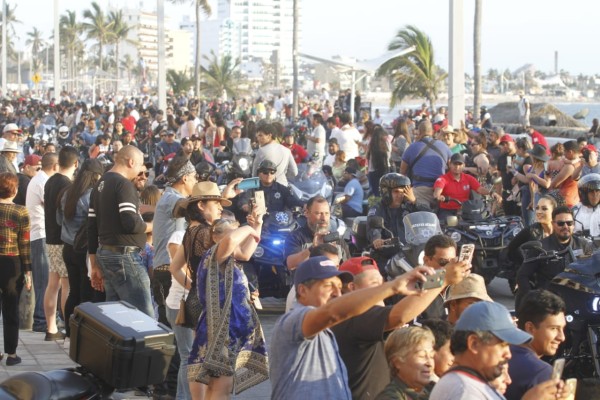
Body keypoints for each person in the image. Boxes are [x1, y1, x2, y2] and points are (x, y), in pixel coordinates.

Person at [269, 256, 435, 400]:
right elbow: (332, 312)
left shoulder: (326, 331)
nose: (337, 293)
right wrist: (394, 286)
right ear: (303, 291)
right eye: (327, 286)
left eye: (338, 286)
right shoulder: (292, 321)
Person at [332, 256, 469, 399]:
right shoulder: (355, 316)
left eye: (382, 283)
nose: (382, 289)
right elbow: (400, 315)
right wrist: (442, 278)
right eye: (374, 284)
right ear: (352, 288)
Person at [187, 212, 268, 399]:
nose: (239, 236)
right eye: (235, 232)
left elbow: (246, 253)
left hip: (228, 330)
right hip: (221, 331)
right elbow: (231, 240)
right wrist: (246, 228)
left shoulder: (229, 258)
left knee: (218, 385)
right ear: (216, 237)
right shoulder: (215, 254)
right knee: (221, 387)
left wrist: (257, 226)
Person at [169, 180, 236, 399]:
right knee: (209, 359)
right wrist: (248, 228)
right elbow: (241, 253)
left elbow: (174, 268)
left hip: (199, 300)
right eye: (216, 202)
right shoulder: (205, 233)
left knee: (199, 356)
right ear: (200, 206)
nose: (220, 207)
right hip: (209, 304)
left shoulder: (191, 231)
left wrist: (195, 286)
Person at [88, 145, 154, 317]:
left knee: (117, 319)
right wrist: (154, 225)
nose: (141, 171)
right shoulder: (123, 184)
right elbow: (131, 223)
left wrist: (94, 264)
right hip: (125, 257)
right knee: (143, 318)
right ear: (131, 162)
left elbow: (91, 226)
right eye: (140, 166)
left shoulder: (100, 184)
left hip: (106, 253)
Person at [429, 301, 533, 400]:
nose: (508, 354)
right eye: (502, 344)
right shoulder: (464, 392)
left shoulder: (465, 384)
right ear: (474, 344)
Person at [58, 159, 105, 338]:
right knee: (86, 294)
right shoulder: (91, 195)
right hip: (84, 250)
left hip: (68, 248)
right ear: (97, 175)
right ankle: (82, 336)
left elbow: (58, 219)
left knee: (73, 292)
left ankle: (70, 332)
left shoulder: (67, 192)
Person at [516, 206, 593, 308]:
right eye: (561, 223)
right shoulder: (540, 247)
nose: (565, 226)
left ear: (573, 225)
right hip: (549, 303)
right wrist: (532, 298)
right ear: (553, 224)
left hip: (578, 299)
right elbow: (522, 275)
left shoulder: (583, 245)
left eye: (569, 223)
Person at [152, 156, 198, 326]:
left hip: (175, 270)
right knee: (172, 329)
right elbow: (189, 205)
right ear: (185, 178)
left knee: (181, 329)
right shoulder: (171, 198)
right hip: (168, 270)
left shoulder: (170, 197)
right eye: (195, 177)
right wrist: (217, 195)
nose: (196, 181)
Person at [44, 146, 79, 341]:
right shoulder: (67, 184)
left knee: (53, 284)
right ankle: (67, 328)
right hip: (62, 239)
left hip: (50, 238)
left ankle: (51, 328)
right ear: (75, 163)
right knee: (66, 285)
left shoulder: (50, 181)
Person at [505, 290, 566, 400]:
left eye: (562, 329)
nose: (561, 337)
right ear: (530, 328)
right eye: (554, 329)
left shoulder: (499, 355)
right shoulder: (541, 372)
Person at [0, 172, 32, 366]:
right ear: (15, 190)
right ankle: (11, 354)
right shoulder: (21, 211)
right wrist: (28, 270)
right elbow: (25, 244)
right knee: (11, 309)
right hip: (13, 264)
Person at [25, 152, 59, 333]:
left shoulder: (39, 179)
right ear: (55, 166)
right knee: (44, 280)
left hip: (40, 235)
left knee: (44, 280)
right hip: (41, 235)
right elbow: (52, 207)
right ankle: (41, 320)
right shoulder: (43, 182)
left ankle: (42, 319)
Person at [367, 173, 425, 274]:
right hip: (387, 255)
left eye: (403, 192)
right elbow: (374, 228)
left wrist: (414, 201)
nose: (400, 195)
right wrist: (377, 239)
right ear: (386, 192)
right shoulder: (378, 209)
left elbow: (427, 216)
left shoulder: (408, 207)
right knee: (382, 276)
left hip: (410, 253)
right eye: (396, 192)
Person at [284, 195, 349, 271]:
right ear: (307, 213)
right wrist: (312, 248)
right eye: (318, 213)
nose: (323, 218)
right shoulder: (296, 237)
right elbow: (290, 264)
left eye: (326, 213)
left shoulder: (337, 240)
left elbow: (348, 268)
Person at [400, 120, 452, 209]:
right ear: (432, 132)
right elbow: (452, 168)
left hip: (419, 191)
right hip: (441, 190)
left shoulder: (411, 148)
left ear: (419, 132)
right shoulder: (444, 147)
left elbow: (402, 172)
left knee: (420, 214)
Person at [433, 153, 501, 220]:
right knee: (448, 226)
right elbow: (438, 190)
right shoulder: (443, 179)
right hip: (447, 211)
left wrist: (492, 193)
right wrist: (438, 196)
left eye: (460, 164)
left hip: (465, 211)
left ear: (464, 166)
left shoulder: (468, 178)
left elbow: (480, 189)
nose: (457, 167)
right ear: (450, 164)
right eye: (455, 164)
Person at [375, 327, 435, 400]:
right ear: (397, 362)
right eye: (421, 356)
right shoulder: (390, 397)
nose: (429, 363)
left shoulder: (435, 391)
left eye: (432, 356)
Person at [507, 194, 557, 268]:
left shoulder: (561, 229)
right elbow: (511, 248)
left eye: (544, 209)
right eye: (537, 208)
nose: (539, 212)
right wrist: (525, 263)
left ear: (554, 211)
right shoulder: (530, 230)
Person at [251, 122, 297, 186]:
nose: (258, 138)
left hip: (266, 189)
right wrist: (281, 175)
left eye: (260, 135)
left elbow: (254, 175)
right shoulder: (287, 150)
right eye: (257, 136)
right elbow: (294, 172)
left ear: (269, 135)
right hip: (283, 186)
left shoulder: (261, 151)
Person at [498, 134, 521, 216]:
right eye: (503, 144)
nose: (505, 146)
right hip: (506, 193)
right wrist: (499, 195)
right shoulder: (501, 158)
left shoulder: (519, 157)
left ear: (513, 142)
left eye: (507, 143)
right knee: (508, 217)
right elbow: (499, 177)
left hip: (518, 193)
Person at [366, 125, 392, 197]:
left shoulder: (371, 144)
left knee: (376, 192)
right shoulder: (387, 144)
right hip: (385, 168)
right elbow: (389, 156)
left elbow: (367, 156)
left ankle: (377, 205)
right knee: (385, 192)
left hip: (373, 170)